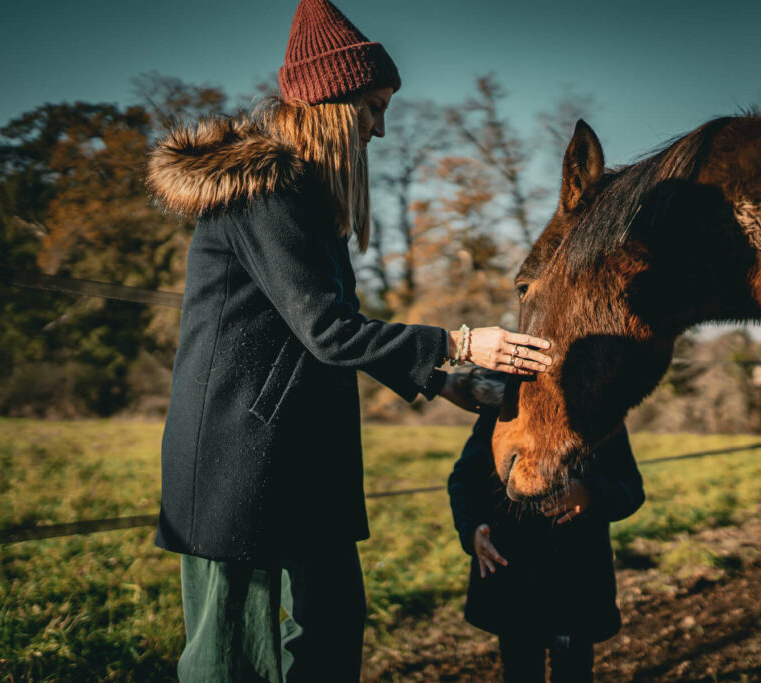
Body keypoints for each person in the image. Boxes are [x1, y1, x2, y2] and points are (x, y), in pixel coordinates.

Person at [145, 1, 552, 680]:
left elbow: (330, 326)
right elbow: (327, 330)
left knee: (332, 629)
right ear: (332, 103)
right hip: (236, 458)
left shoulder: (309, 203)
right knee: (230, 656)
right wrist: (459, 343)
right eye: (373, 108)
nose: (380, 129)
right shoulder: (264, 194)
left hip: (301, 456)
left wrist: (441, 380)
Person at [448, 373, 644, 683]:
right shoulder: (502, 416)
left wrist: (589, 493)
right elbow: (464, 481)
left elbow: (631, 489)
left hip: (576, 584)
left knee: (573, 671)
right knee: (520, 671)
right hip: (513, 581)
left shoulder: (601, 419)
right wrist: (471, 530)